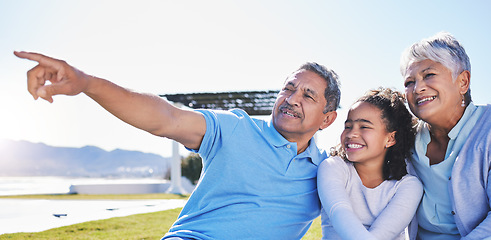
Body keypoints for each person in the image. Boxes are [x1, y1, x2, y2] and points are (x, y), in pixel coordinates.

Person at [14, 51, 340, 239]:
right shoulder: (235, 129)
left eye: (307, 95)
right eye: (288, 88)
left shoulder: (327, 172)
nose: (291, 99)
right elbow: (166, 118)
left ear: (327, 119)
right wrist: (86, 82)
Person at [400, 32, 491, 240]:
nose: (418, 88)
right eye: (409, 82)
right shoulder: (404, 139)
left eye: (429, 75)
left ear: (463, 81)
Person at [318, 87, 423, 240]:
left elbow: (381, 235)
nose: (351, 133)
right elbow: (340, 213)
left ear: (390, 139)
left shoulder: (409, 186)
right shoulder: (333, 168)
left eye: (364, 126)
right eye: (348, 126)